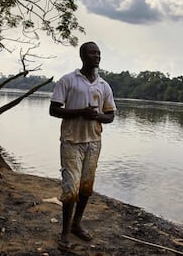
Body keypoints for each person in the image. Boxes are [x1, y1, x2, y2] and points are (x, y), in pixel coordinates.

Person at [49, 41, 116, 251]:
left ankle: (77, 224)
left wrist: (97, 116)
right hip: (71, 142)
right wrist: (80, 112)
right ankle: (64, 234)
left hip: (94, 143)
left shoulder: (103, 85)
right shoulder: (68, 80)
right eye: (91, 53)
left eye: (98, 53)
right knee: (70, 189)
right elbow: (54, 110)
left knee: (86, 188)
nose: (96, 56)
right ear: (82, 56)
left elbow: (111, 116)